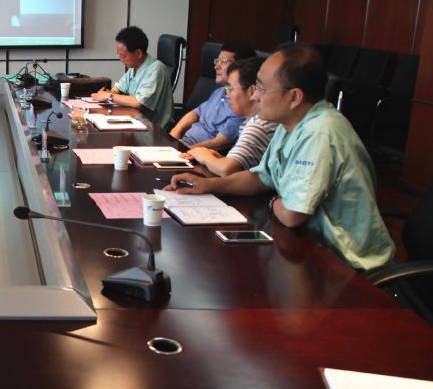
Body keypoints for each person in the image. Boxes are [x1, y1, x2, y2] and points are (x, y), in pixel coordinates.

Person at [166, 43, 394, 270]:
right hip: (310, 249)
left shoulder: (319, 132)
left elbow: (292, 214)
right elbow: (260, 178)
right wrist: (209, 185)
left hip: (348, 266)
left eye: (262, 89)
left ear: (294, 97)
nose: (255, 97)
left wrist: (272, 200)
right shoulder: (289, 124)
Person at [185, 58, 278, 176]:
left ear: (251, 91)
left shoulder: (259, 125)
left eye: (231, 89)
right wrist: (220, 160)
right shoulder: (251, 121)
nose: (227, 95)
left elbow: (226, 170)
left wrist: (204, 156)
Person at [169, 41, 257, 148]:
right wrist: (174, 133)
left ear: (239, 67)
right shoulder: (219, 91)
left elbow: (218, 143)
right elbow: (196, 113)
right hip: (183, 142)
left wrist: (186, 151)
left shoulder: (240, 106)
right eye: (217, 61)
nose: (216, 66)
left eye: (223, 61)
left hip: (198, 151)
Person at [90, 26, 173, 128]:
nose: (121, 60)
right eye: (119, 55)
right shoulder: (135, 67)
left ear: (138, 53)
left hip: (152, 128)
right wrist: (109, 92)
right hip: (135, 121)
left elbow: (139, 102)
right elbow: (119, 88)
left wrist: (109, 96)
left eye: (123, 56)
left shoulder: (156, 69)